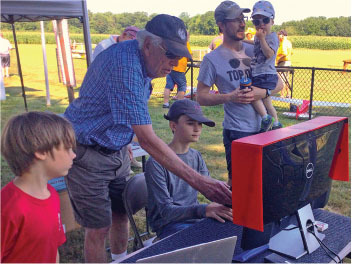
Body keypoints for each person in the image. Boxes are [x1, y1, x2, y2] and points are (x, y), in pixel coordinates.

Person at [64, 14, 231, 263]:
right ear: (148, 44)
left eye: (180, 57)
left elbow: (124, 111)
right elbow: (148, 139)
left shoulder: (144, 64)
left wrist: (124, 140)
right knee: (98, 228)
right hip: (87, 150)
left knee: (122, 212)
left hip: (116, 148)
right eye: (170, 55)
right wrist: (203, 185)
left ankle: (121, 260)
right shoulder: (125, 65)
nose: (175, 64)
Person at [196, 1, 283, 186]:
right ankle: (231, 214)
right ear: (221, 24)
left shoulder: (257, 48)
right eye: (236, 20)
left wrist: (261, 92)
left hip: (265, 129)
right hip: (238, 131)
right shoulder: (212, 59)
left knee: (266, 183)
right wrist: (229, 97)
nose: (243, 24)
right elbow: (201, 96)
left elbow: (279, 84)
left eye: (243, 19)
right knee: (238, 184)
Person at [146, 99, 233, 239]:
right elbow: (165, 212)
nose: (197, 128)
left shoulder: (196, 156)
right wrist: (204, 209)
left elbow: (210, 189)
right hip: (170, 224)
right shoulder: (156, 162)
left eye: (200, 124)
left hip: (195, 219)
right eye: (190, 123)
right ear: (173, 125)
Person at [1, 111, 76, 263]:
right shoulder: (8, 208)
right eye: (68, 148)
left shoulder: (52, 194)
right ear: (41, 151)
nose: (74, 155)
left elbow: (52, 248)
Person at [246, 0, 282, 132]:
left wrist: (261, 39)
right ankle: (276, 123)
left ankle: (265, 118)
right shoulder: (259, 37)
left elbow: (269, 54)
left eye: (265, 20)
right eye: (256, 22)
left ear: (272, 21)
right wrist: (242, 40)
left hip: (265, 74)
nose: (261, 24)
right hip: (259, 73)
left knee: (250, 94)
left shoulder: (272, 37)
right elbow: (255, 45)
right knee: (267, 101)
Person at [162, 32, 193, 108]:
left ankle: (165, 103)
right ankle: (179, 105)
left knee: (168, 86)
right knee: (182, 86)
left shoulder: (174, 42)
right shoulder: (185, 43)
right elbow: (189, 55)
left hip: (171, 66)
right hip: (179, 68)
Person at [276, 29, 293, 98]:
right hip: (288, 62)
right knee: (287, 79)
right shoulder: (289, 42)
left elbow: (284, 53)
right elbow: (291, 53)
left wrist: (278, 60)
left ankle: (282, 94)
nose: (278, 37)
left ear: (282, 35)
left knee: (281, 79)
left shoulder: (283, 43)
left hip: (283, 63)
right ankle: (288, 94)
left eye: (279, 36)